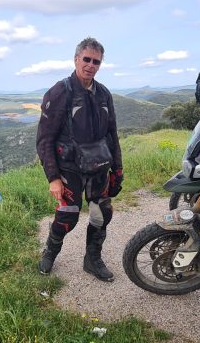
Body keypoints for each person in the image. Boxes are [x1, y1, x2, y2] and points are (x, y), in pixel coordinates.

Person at [35, 37, 123, 282]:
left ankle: (92, 260)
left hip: (99, 168)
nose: (90, 65)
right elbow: (44, 140)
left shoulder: (104, 94)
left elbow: (112, 135)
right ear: (76, 59)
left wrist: (117, 170)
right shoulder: (60, 92)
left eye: (96, 61)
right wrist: (53, 178)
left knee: (101, 215)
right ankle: (50, 252)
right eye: (86, 59)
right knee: (67, 216)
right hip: (69, 168)